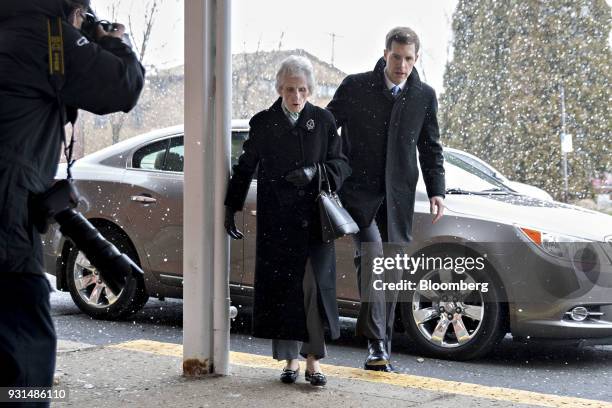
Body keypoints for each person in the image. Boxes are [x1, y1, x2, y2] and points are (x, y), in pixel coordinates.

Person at [0, 0, 144, 403]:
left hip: (11, 211)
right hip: (6, 241)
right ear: (73, 12)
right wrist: (117, 41)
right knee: (23, 368)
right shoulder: (42, 34)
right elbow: (123, 84)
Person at [225, 55, 351, 386]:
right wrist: (230, 207)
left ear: (310, 91)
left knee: (313, 291)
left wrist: (316, 172)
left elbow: (341, 165)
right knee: (284, 292)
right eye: (291, 90)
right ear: (280, 88)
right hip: (278, 223)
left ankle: (313, 362)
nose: (297, 97)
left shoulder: (323, 121)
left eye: (303, 90)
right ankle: (290, 361)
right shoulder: (264, 123)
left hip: (313, 222)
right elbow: (244, 168)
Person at [327, 27, 445, 372]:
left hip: (398, 199)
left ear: (417, 58)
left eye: (409, 59)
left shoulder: (424, 96)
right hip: (359, 195)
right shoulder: (355, 86)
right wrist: (332, 170)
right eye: (397, 57)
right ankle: (377, 345)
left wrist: (437, 189)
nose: (402, 65)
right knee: (375, 258)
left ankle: (382, 348)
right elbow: (327, 126)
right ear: (385, 54)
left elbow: (430, 147)